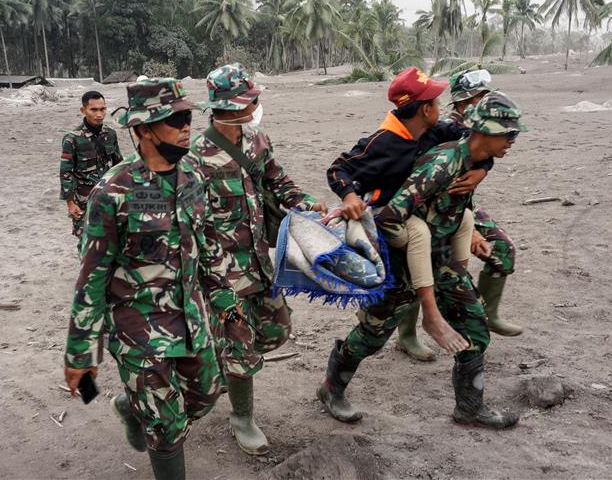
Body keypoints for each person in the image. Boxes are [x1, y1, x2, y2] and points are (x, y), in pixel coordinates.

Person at [64, 78, 239, 480]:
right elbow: (91, 277)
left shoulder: (193, 174)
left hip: (191, 317)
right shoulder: (112, 192)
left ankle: (132, 409)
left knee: (207, 392)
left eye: (186, 116)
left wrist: (226, 301)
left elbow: (206, 241)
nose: (185, 126)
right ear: (141, 130)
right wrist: (81, 352)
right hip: (138, 327)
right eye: (173, 118)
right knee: (166, 428)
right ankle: (153, 423)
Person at [187, 63, 325, 455]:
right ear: (229, 106)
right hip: (221, 274)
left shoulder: (256, 139)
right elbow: (194, 224)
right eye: (251, 98)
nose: (258, 102)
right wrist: (210, 279)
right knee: (240, 345)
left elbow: (277, 181)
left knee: (277, 330)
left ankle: (204, 361)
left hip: (260, 264)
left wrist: (305, 204)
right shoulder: (196, 157)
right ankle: (242, 418)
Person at [373, 90, 526, 428]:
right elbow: (389, 217)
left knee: (475, 327)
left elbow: (458, 201)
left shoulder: (476, 159)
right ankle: (331, 387)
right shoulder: (442, 164)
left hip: (443, 259)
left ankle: (469, 409)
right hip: (408, 260)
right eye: (509, 133)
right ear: (485, 130)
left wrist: (466, 232)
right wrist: (414, 251)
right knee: (371, 334)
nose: (513, 141)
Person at [326, 67, 493, 361]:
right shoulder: (383, 143)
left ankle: (453, 288)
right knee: (418, 236)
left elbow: (474, 142)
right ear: (426, 108)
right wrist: (349, 195)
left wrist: (482, 169)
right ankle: (429, 314)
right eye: (437, 103)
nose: (442, 110)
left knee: (464, 220)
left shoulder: (432, 130)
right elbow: (338, 168)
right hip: (388, 214)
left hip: (419, 208)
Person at [443, 68, 523, 336]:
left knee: (502, 248)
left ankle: (490, 314)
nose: (486, 102)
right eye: (481, 97)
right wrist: (472, 231)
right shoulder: (448, 129)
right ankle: (408, 334)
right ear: (465, 101)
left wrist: (484, 167)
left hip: (463, 202)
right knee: (423, 273)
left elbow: (483, 154)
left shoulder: (478, 124)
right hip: (436, 206)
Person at [59, 90, 123, 251]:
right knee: (86, 240)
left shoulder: (110, 134)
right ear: (83, 110)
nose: (99, 114)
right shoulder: (72, 138)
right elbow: (66, 172)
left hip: (108, 196)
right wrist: (70, 203)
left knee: (112, 238)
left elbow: (118, 164)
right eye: (94, 110)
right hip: (83, 199)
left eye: (102, 109)